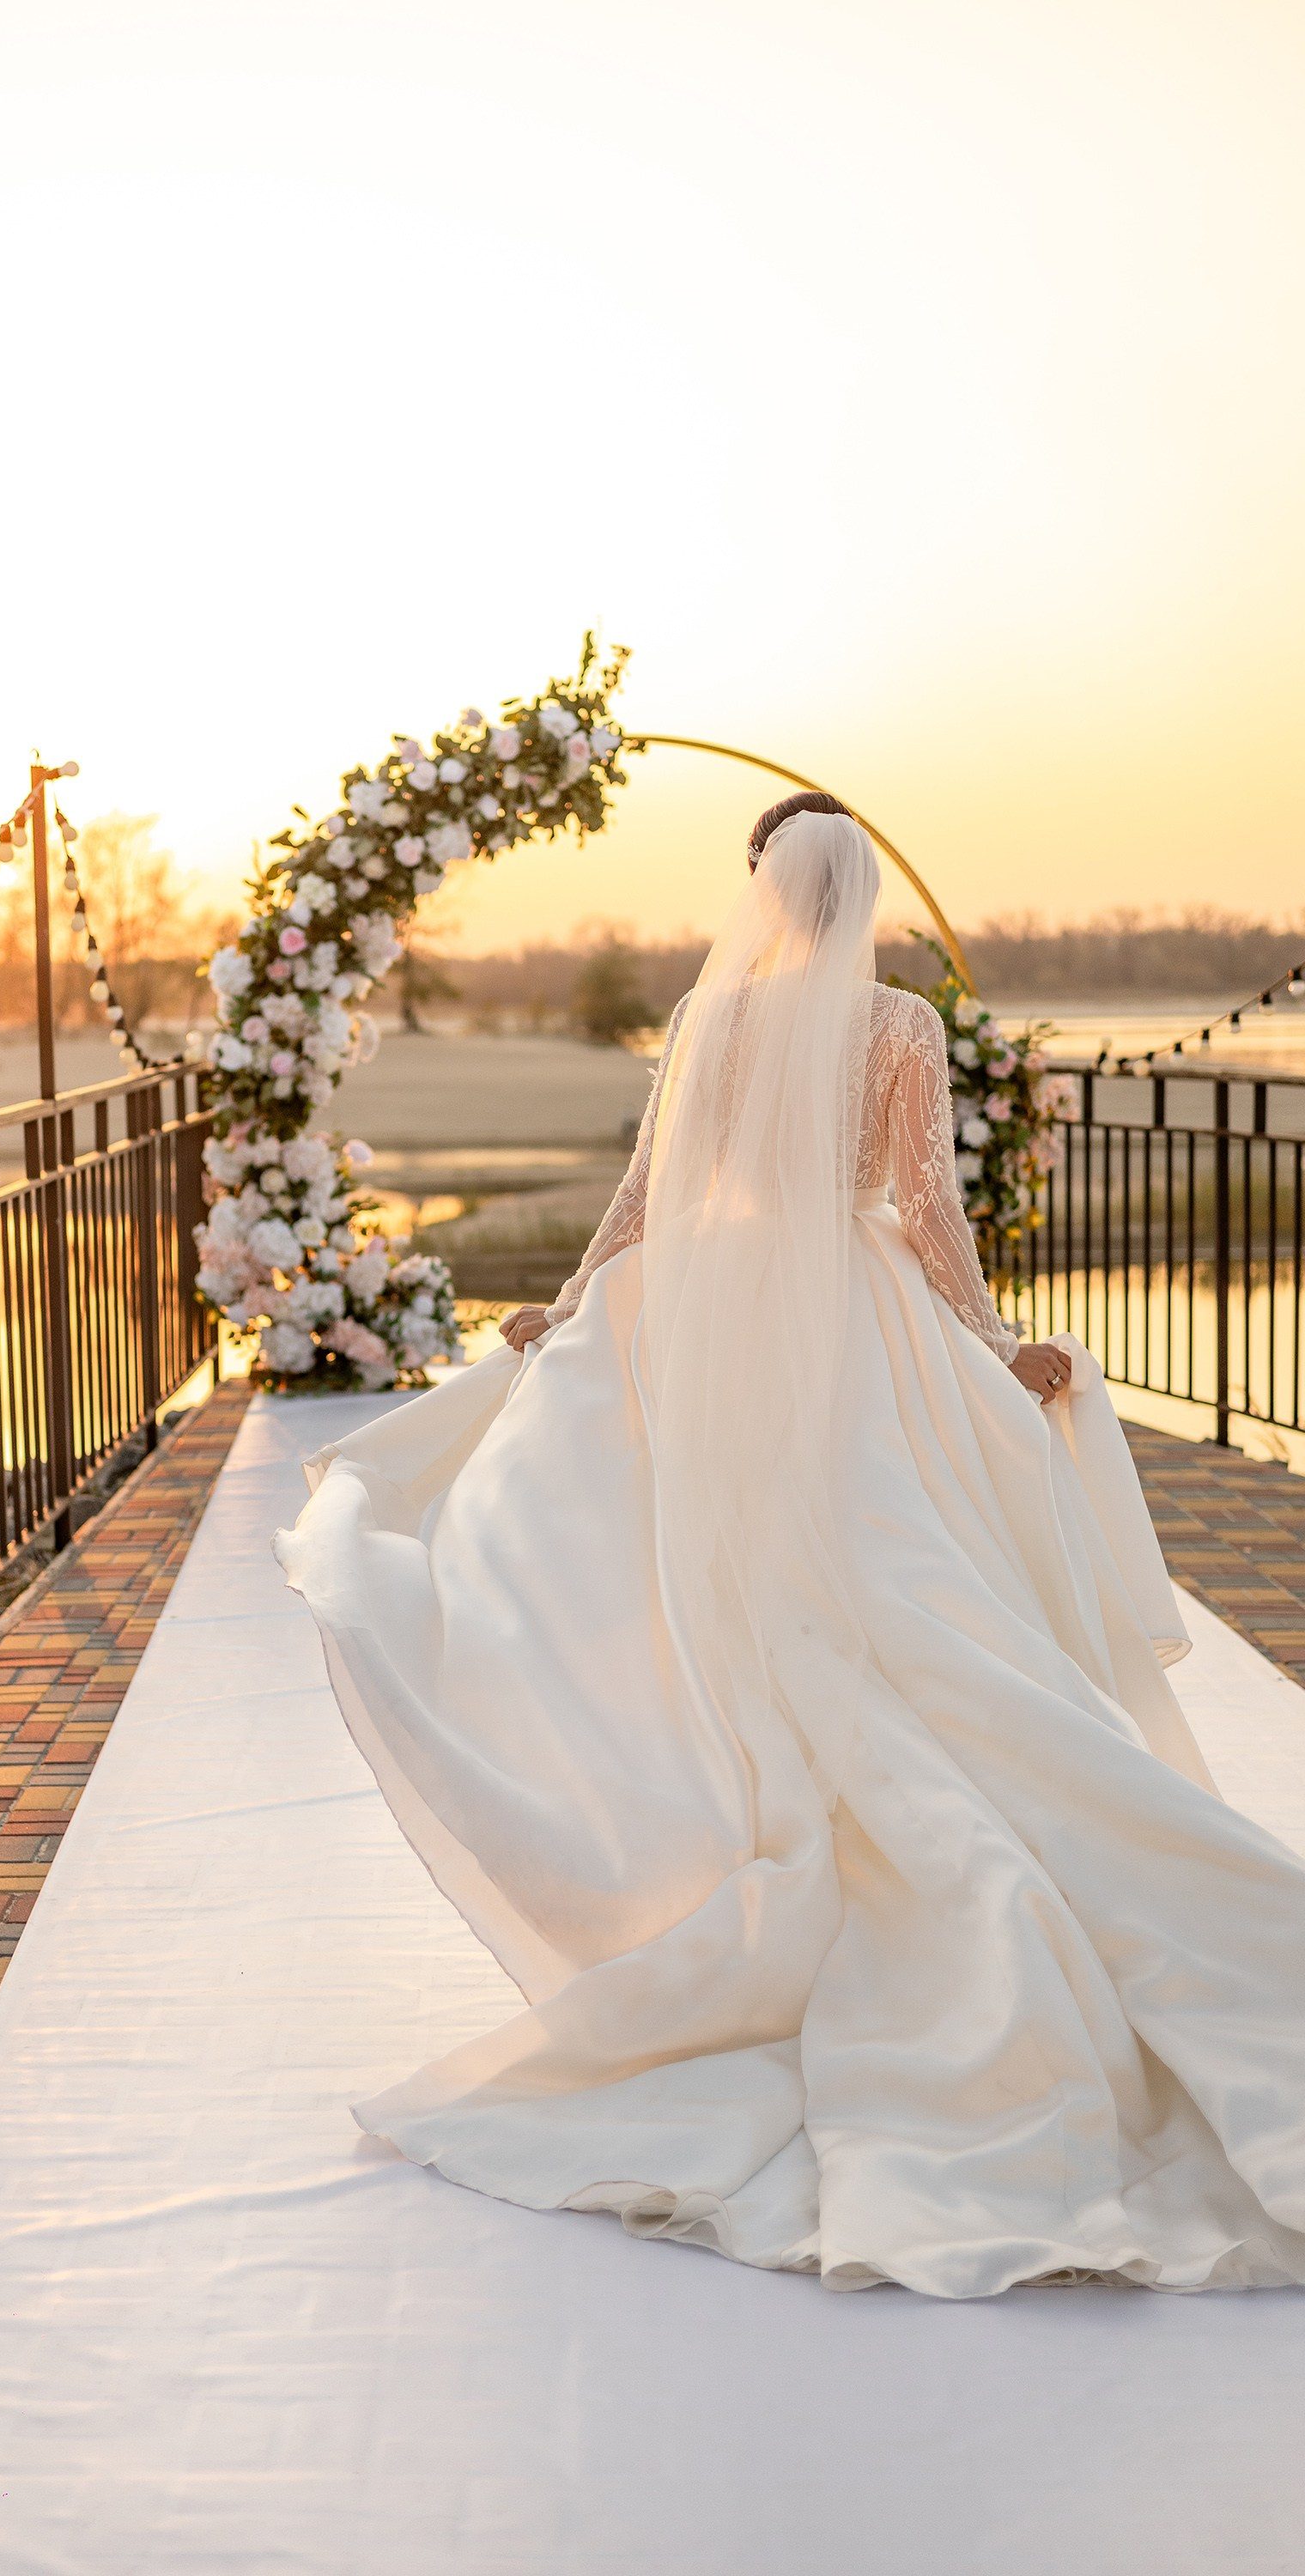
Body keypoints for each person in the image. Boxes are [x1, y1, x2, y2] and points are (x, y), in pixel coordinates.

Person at [275, 801, 1305, 2298]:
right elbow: (933, 1220)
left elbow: (646, 1198)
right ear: (861, 894)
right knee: (902, 1581)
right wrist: (992, 1341)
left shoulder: (710, 1015)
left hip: (715, 1308)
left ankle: (723, 1823)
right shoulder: (896, 1024)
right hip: (862, 1310)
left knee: (720, 1589)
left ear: (754, 887)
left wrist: (568, 1315)